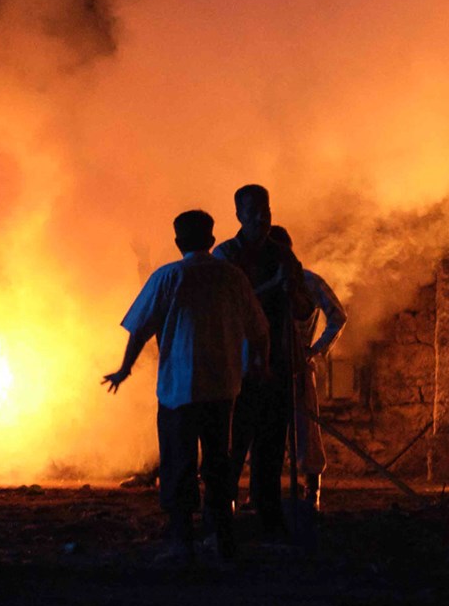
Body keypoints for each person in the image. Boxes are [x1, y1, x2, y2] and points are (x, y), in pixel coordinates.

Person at [105, 209, 268, 561]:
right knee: (218, 465)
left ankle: (183, 543)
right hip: (222, 389)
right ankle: (223, 540)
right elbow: (259, 330)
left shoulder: (167, 277)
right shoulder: (232, 277)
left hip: (178, 391)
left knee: (178, 465)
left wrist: (124, 369)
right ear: (211, 240)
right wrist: (259, 365)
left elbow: (140, 328)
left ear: (177, 242)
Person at [215, 184, 305, 538]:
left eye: (265, 208)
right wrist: (271, 287)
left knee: (271, 447)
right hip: (237, 368)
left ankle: (270, 518)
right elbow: (230, 307)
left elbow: (301, 308)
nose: (260, 216)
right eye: (252, 210)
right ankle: (221, 521)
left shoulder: (283, 256)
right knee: (234, 447)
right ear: (238, 215)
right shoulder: (227, 257)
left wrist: (293, 293)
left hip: (276, 365)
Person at [272, 225, 346, 510]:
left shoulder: (309, 282)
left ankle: (311, 489)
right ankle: (262, 491)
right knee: (264, 429)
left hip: (297, 367)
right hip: (264, 366)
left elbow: (337, 316)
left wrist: (313, 350)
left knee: (305, 429)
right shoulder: (260, 283)